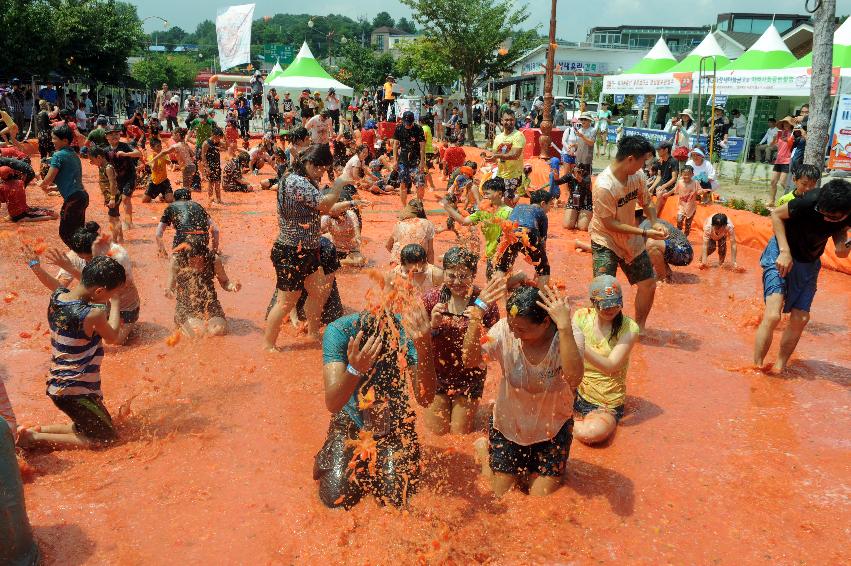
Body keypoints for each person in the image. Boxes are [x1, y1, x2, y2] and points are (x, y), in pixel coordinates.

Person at [315, 296, 435, 509]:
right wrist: (355, 369)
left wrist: (424, 344)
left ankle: (399, 458)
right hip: (351, 420)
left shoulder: (408, 332)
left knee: (395, 500)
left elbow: (425, 399)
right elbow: (333, 403)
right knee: (334, 498)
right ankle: (335, 450)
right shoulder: (339, 331)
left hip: (395, 423)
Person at [465, 282, 584, 497]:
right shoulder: (504, 330)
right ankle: (484, 451)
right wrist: (476, 315)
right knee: (502, 495)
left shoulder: (569, 335)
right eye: (512, 326)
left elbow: (574, 378)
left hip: (553, 430)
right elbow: (469, 359)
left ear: (546, 322)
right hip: (509, 426)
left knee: (540, 499)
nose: (514, 333)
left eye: (522, 330)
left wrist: (565, 328)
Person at [17, 256, 126, 450]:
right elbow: (113, 337)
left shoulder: (58, 297)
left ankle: (37, 430)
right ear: (100, 291)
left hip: (59, 384)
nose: (110, 298)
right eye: (111, 293)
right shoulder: (93, 314)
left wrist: (35, 266)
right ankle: (33, 437)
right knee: (107, 439)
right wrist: (116, 303)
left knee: (97, 424)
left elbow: (52, 282)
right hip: (75, 390)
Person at [754, 180, 850, 373]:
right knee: (773, 315)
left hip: (809, 261)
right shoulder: (809, 201)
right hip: (782, 251)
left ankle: (780, 367)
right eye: (822, 213)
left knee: (801, 318)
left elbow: (840, 234)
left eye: (832, 217)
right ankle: (756, 367)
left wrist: (843, 244)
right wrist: (784, 251)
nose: (826, 219)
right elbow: (776, 214)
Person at [264, 145, 346, 350]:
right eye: (319, 168)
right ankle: (268, 345)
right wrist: (341, 182)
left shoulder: (302, 178)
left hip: (307, 250)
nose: (320, 173)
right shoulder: (296, 182)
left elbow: (323, 208)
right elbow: (325, 205)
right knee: (285, 302)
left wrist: (349, 202)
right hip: (291, 251)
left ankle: (312, 332)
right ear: (309, 163)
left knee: (318, 292)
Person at [589, 135, 667, 330]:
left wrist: (654, 222)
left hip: (630, 238)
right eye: (643, 160)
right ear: (631, 159)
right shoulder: (604, 185)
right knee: (604, 291)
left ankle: (638, 329)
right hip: (605, 240)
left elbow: (646, 201)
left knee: (648, 284)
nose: (645, 165)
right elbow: (610, 224)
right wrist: (645, 233)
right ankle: (600, 332)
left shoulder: (637, 175)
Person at [421, 247, 497, 435]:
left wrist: (478, 325)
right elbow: (417, 345)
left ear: (473, 274)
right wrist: (432, 325)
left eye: (463, 276)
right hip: (437, 374)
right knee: (437, 434)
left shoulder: (484, 303)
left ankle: (485, 410)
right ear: (443, 272)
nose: (457, 282)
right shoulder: (431, 299)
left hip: (470, 377)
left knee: (459, 434)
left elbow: (494, 345)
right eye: (451, 275)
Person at [32, 222, 140, 345]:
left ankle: (128, 324)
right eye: (80, 257)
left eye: (88, 258)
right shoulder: (75, 255)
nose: (85, 261)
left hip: (123, 305)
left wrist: (71, 268)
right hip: (97, 305)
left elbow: (101, 286)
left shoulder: (117, 256)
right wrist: (36, 268)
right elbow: (59, 287)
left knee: (115, 342)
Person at [571, 275, 640, 444]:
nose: (611, 310)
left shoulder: (629, 328)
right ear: (593, 303)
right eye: (605, 306)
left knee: (590, 433)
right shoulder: (581, 317)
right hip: (575, 392)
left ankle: (565, 423)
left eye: (616, 304)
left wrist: (578, 344)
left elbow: (611, 366)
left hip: (605, 403)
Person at [165, 242, 240, 338]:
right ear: (187, 258)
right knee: (196, 333)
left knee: (219, 330)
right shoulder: (177, 261)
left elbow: (225, 282)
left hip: (210, 304)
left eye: (200, 261)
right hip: (186, 307)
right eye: (192, 262)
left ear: (205, 256)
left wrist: (233, 287)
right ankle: (181, 324)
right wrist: (169, 292)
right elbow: (170, 288)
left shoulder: (214, 259)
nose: (197, 265)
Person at [442, 177, 513, 278]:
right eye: (484, 194)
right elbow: (464, 221)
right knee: (490, 280)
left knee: (500, 283)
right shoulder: (483, 211)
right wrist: (447, 207)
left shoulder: (509, 212)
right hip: (490, 254)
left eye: (487, 193)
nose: (485, 197)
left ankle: (520, 277)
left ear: (500, 194)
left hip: (505, 255)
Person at [494, 190, 554, 287]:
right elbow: (543, 242)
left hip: (509, 234)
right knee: (544, 268)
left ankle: (499, 299)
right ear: (543, 204)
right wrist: (540, 265)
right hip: (528, 232)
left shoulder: (518, 206)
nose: (549, 210)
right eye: (549, 206)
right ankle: (541, 299)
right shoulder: (541, 213)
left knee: (502, 267)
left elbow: (508, 225)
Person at [40, 124, 88, 247]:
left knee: (65, 233)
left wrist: (43, 184)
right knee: (78, 232)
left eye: (54, 138)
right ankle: (85, 258)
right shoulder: (74, 155)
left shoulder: (58, 155)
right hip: (82, 197)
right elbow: (73, 179)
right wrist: (55, 187)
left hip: (73, 200)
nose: (52, 141)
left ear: (65, 140)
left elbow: (49, 178)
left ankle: (81, 258)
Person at [156, 188, 219, 257]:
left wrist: (163, 252)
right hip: (202, 239)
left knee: (176, 258)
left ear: (174, 199)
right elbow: (215, 230)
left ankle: (176, 259)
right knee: (206, 256)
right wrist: (214, 250)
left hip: (183, 238)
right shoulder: (198, 206)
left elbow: (158, 233)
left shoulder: (171, 207)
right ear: (190, 198)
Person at [636, 208, 693, 282]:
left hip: (683, 253)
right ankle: (667, 273)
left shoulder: (644, 226)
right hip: (686, 252)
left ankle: (661, 278)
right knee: (653, 248)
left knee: (650, 245)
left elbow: (647, 252)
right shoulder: (651, 221)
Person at [105, 125, 142, 229]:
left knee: (126, 198)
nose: (114, 136)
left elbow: (138, 153)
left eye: (116, 134)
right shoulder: (106, 150)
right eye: (111, 134)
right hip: (117, 180)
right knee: (116, 201)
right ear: (106, 137)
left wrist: (126, 154)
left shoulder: (125, 146)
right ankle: (117, 221)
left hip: (130, 176)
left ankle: (129, 222)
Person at [486, 110, 526, 203]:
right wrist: (489, 158)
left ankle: (511, 214)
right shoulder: (498, 137)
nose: (509, 122)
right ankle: (513, 204)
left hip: (514, 175)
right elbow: (494, 155)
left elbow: (515, 155)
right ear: (502, 121)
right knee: (492, 197)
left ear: (515, 121)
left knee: (507, 200)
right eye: (506, 120)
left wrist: (497, 155)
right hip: (500, 174)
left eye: (511, 120)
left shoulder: (518, 135)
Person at [87, 147, 123, 242]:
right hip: (111, 196)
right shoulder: (102, 166)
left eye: (92, 160)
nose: (91, 163)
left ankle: (115, 240)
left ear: (99, 157)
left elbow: (113, 183)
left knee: (112, 219)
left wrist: (112, 199)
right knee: (116, 217)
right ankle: (121, 238)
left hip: (114, 196)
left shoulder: (108, 168)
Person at [386, 198, 436, 265]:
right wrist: (431, 270)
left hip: (399, 264)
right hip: (418, 263)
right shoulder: (428, 224)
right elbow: (430, 252)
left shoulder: (399, 224)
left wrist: (402, 257)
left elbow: (388, 246)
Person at [392, 111, 426, 206]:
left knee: (420, 184)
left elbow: (422, 147)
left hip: (416, 160)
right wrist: (395, 161)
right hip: (403, 160)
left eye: (409, 124)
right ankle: (404, 207)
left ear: (413, 122)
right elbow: (395, 144)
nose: (407, 125)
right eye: (406, 123)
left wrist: (422, 162)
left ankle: (419, 205)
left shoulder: (418, 129)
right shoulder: (399, 128)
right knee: (403, 184)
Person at [551, 162, 592, 231]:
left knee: (583, 228)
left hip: (586, 203)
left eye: (578, 172)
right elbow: (558, 182)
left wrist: (580, 180)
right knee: (567, 225)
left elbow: (588, 186)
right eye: (574, 171)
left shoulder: (586, 176)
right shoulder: (570, 175)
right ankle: (575, 216)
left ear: (582, 172)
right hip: (573, 201)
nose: (576, 173)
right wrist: (555, 178)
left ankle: (583, 218)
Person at [769, 117, 795, 207]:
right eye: (784, 123)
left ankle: (791, 200)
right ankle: (771, 201)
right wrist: (773, 140)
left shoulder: (793, 134)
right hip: (778, 160)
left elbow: (791, 144)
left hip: (787, 160)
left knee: (783, 183)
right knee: (773, 181)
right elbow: (772, 145)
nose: (785, 125)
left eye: (787, 123)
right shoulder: (780, 134)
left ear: (791, 125)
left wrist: (787, 139)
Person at [649, 141, 679, 214]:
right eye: (657, 150)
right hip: (660, 184)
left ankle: (655, 215)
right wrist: (652, 187)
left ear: (666, 150)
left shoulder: (674, 161)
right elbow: (659, 176)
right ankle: (644, 214)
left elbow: (674, 178)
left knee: (660, 193)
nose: (657, 151)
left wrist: (664, 186)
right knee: (647, 191)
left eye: (659, 150)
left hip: (669, 186)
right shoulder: (660, 161)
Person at [142, 137, 175, 203]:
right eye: (158, 146)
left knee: (170, 200)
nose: (160, 148)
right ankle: (158, 195)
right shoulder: (150, 158)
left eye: (161, 146)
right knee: (144, 201)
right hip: (154, 182)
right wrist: (156, 159)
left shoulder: (163, 155)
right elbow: (154, 169)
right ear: (152, 147)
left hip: (164, 181)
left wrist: (169, 162)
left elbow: (169, 163)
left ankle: (162, 196)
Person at [200, 126, 224, 205]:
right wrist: (206, 167)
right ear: (214, 135)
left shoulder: (217, 142)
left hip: (217, 165)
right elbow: (203, 156)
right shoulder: (206, 143)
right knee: (211, 183)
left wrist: (225, 137)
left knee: (217, 183)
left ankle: (219, 199)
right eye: (218, 137)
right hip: (210, 165)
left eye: (220, 138)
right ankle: (211, 199)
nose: (219, 139)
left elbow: (227, 146)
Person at [674, 164, 699, 234]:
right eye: (684, 174)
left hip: (691, 207)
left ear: (692, 174)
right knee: (679, 219)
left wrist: (703, 191)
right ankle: (679, 233)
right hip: (681, 206)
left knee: (688, 224)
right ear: (681, 174)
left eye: (688, 174)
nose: (686, 176)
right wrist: (668, 194)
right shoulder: (680, 182)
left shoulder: (695, 183)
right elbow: (675, 190)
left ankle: (686, 236)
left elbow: (699, 191)